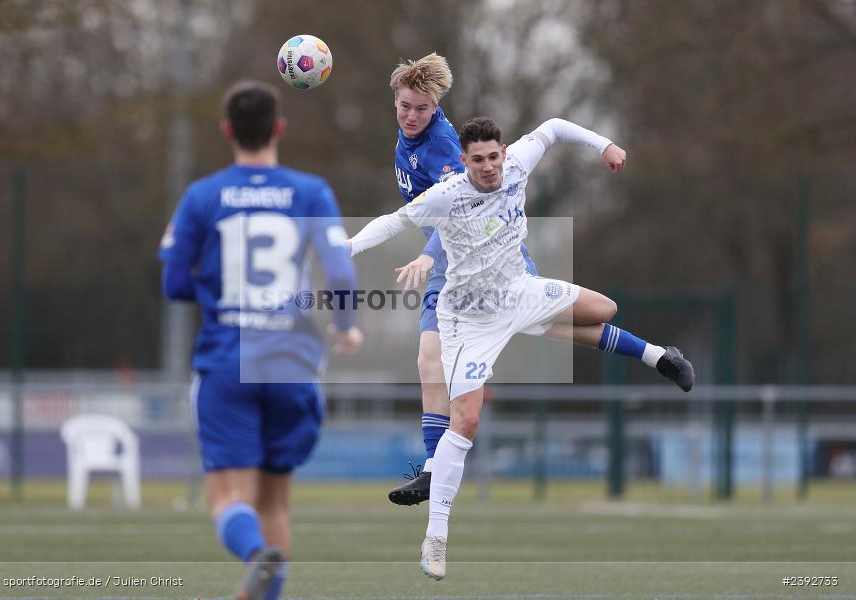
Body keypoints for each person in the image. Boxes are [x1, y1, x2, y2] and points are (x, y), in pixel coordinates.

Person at [348, 116, 695, 580]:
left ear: (504, 153)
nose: (489, 167)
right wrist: (347, 248)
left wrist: (604, 145)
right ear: (463, 162)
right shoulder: (448, 195)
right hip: (469, 319)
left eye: (494, 156)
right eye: (478, 160)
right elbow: (392, 222)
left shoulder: (516, 165)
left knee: (604, 308)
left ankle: (660, 357)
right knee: (466, 421)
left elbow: (553, 127)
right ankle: (436, 539)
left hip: (518, 292)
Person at [159, 80, 363, 600]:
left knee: (229, 500)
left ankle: (254, 554)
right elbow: (341, 275)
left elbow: (174, 283)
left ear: (227, 130)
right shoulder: (310, 191)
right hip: (293, 364)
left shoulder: (202, 196)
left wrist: (221, 295)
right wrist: (344, 326)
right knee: (274, 506)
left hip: (228, 360)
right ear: (279, 128)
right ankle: (265, 564)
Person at [386, 53, 539, 505]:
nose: (412, 116)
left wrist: (427, 256)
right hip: (455, 263)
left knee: (569, 324)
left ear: (436, 108)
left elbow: (460, 209)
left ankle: (652, 354)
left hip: (482, 261)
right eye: (405, 106)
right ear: (395, 102)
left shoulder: (439, 146)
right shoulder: (409, 138)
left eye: (422, 109)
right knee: (429, 360)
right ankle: (433, 469)